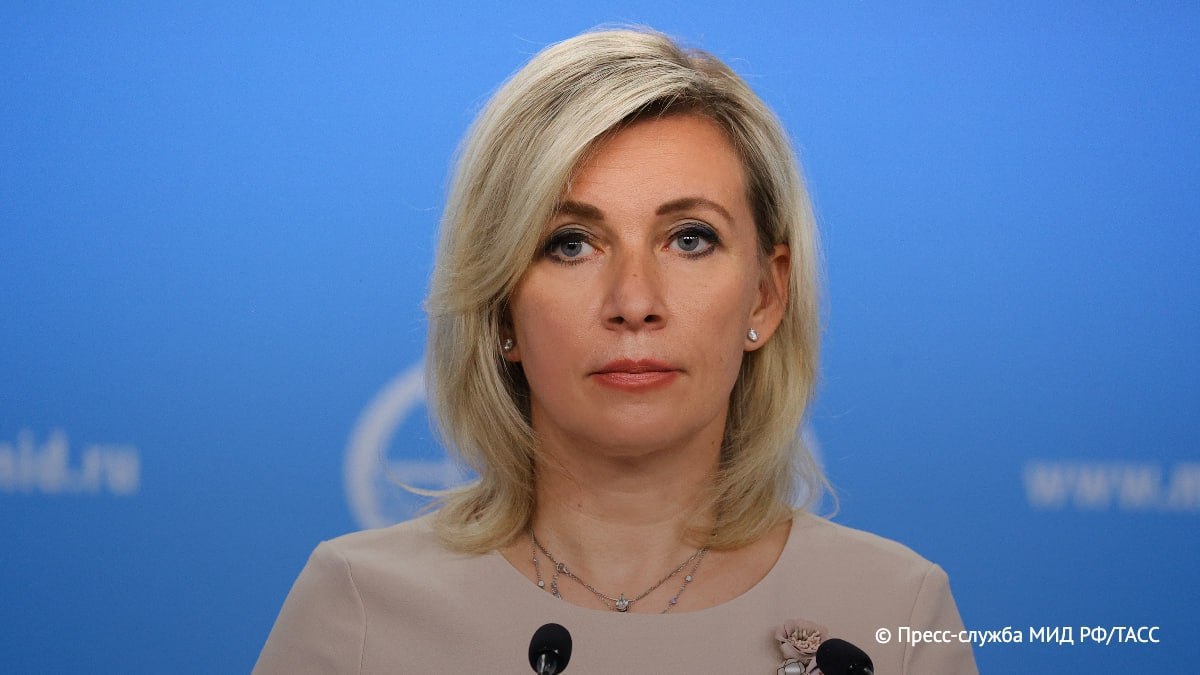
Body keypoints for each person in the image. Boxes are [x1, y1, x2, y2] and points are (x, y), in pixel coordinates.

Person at [255, 27, 977, 674]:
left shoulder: (894, 611)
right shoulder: (359, 607)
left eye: (689, 238)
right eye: (571, 244)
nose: (634, 300)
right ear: (501, 306)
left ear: (765, 294)